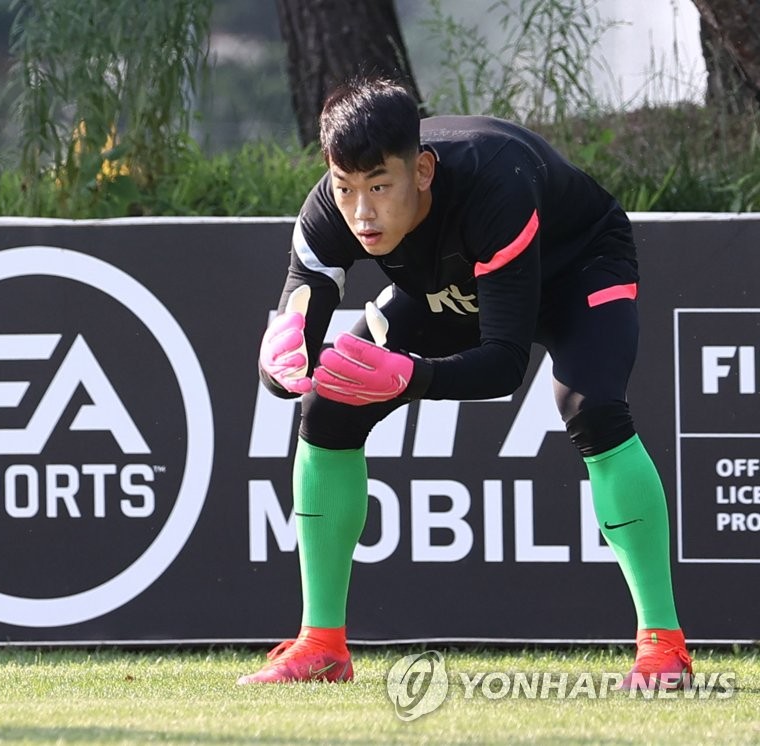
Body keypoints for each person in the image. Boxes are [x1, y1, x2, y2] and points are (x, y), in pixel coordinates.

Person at [240, 77, 692, 689]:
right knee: (328, 406)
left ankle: (663, 647)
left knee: (592, 408)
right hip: (459, 286)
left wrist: (407, 377)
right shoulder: (330, 211)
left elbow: (504, 364)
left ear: (422, 170)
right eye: (346, 189)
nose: (363, 213)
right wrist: (276, 361)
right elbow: (289, 351)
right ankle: (321, 646)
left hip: (575, 268)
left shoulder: (493, 184)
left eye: (380, 186)